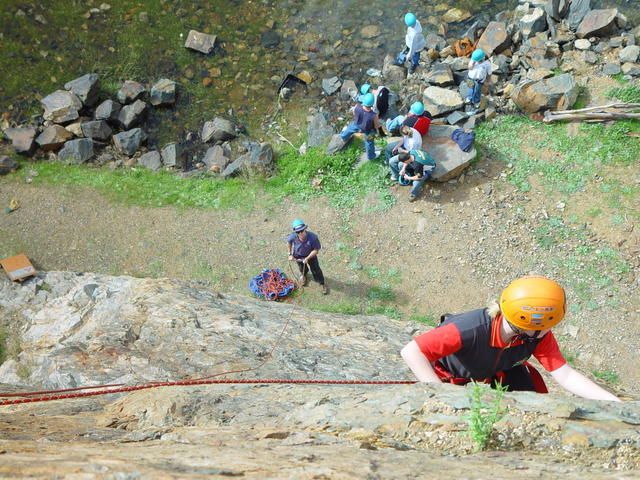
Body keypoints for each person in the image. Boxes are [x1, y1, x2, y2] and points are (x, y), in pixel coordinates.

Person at [401, 276, 621, 401]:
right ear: (529, 326)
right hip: (454, 376)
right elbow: (412, 351)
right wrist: (440, 393)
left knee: (533, 400)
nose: (551, 330)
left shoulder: (536, 336)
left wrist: (614, 403)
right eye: (547, 325)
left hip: (500, 371)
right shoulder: (469, 329)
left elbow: (565, 375)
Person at [287, 219, 329, 295]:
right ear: (295, 232)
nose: (300, 233)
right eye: (298, 232)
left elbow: (316, 250)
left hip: (311, 256)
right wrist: (290, 254)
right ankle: (304, 276)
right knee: (301, 268)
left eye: (302, 230)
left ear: (305, 228)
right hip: (298, 256)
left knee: (316, 270)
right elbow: (289, 243)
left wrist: (307, 258)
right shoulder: (292, 237)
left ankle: (321, 283)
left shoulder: (313, 238)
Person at [338, 92, 382, 161]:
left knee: (350, 128)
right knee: (369, 142)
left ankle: (343, 136)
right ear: (372, 104)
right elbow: (376, 126)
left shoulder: (357, 106)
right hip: (367, 130)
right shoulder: (374, 115)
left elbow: (354, 113)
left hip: (357, 124)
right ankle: (371, 156)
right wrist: (378, 131)